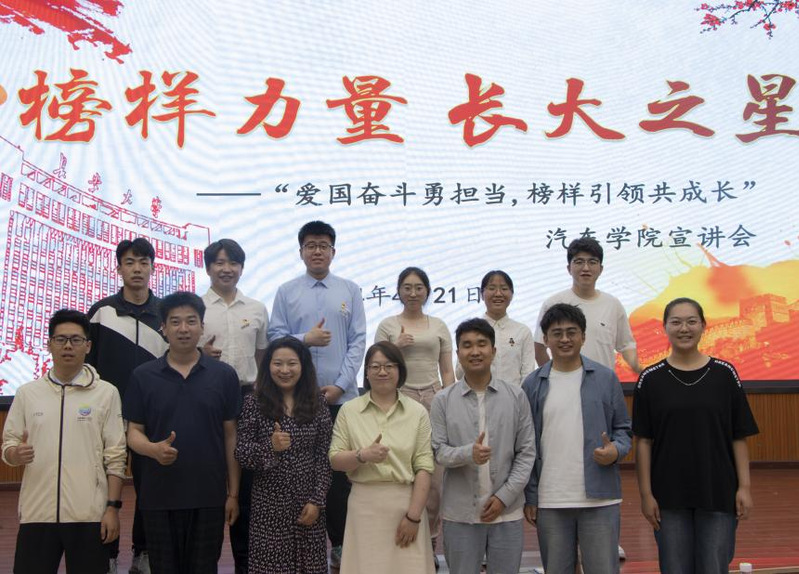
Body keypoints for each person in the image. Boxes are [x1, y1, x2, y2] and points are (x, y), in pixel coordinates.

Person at [633, 297, 759, 573]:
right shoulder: (650, 379)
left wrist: (745, 487)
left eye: (691, 321)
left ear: (703, 325)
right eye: (676, 322)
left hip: (718, 492)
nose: (684, 328)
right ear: (665, 327)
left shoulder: (725, 374)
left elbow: (738, 436)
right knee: (674, 567)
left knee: (714, 566)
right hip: (668, 496)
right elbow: (644, 441)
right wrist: (646, 494)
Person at [533, 237, 639, 561]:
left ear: (601, 268)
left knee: (600, 456)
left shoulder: (612, 304)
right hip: (558, 389)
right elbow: (538, 348)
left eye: (592, 262)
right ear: (569, 267)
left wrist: (643, 371)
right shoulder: (554, 303)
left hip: (601, 398)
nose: (585, 268)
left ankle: (603, 539)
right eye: (578, 261)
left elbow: (627, 346)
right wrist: (555, 376)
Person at [268, 220, 366, 568]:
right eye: (311, 245)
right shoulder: (286, 291)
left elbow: (358, 341)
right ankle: (297, 544)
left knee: (338, 475)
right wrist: (304, 340)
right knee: (298, 470)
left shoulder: (350, 290)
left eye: (324, 245)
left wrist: (341, 384)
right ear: (301, 252)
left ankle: (340, 544)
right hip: (296, 398)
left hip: (341, 399)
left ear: (333, 251)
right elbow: (275, 338)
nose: (317, 251)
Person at [123, 292, 241, 574]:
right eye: (175, 322)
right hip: (159, 496)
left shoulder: (224, 375)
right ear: (163, 328)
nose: (183, 329)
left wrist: (233, 494)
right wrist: (153, 450)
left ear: (202, 326)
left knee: (204, 568)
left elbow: (231, 436)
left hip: (208, 495)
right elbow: (133, 432)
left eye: (191, 321)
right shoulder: (143, 375)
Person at [2, 309, 127, 574]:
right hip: (37, 512)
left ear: (88, 346)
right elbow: (9, 444)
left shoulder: (106, 393)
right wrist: (14, 454)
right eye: (60, 339)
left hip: (89, 514)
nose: (68, 346)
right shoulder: (27, 394)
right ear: (49, 345)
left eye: (75, 339)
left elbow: (116, 456)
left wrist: (112, 509)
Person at [522, 303, 631, 574]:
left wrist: (615, 451)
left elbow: (623, 430)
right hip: (551, 500)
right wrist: (531, 496)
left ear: (583, 336)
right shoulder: (533, 384)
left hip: (600, 499)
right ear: (545, 339)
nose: (565, 339)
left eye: (572, 332)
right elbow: (525, 445)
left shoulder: (605, 378)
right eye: (556, 333)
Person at [87, 237, 168, 574]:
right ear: (118, 268)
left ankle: (142, 552)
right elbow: (88, 366)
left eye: (144, 262)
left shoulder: (165, 314)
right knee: (104, 486)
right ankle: (106, 554)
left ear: (152, 268)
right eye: (130, 262)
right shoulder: (102, 312)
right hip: (107, 415)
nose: (137, 269)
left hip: (152, 417)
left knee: (150, 489)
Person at [430, 318, 535, 574]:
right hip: (460, 514)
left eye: (481, 344)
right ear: (458, 354)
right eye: (467, 345)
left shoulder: (516, 396)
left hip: (506, 513)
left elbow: (526, 452)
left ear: (494, 351)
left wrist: (504, 497)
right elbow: (438, 451)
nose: (475, 351)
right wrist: (469, 454)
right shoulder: (443, 400)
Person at [329, 341, 435, 574]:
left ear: (400, 370)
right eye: (375, 366)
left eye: (389, 366)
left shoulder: (417, 412)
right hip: (364, 507)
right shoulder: (349, 410)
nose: (382, 372)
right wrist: (362, 455)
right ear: (366, 372)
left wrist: (413, 517)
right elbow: (335, 460)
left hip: (406, 505)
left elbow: (424, 467)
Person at [375, 266, 454, 563]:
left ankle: (429, 543)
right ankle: (399, 542)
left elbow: (447, 370)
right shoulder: (388, 324)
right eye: (407, 287)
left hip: (434, 396)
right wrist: (394, 347)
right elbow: (377, 365)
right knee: (401, 470)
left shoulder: (439, 325)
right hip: (400, 397)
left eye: (418, 287)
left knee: (434, 474)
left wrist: (449, 400)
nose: (412, 292)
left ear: (427, 291)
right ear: (398, 291)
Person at [235, 336, 332, 574]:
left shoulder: (318, 402)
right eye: (278, 363)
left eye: (292, 363)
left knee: (310, 567)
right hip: (269, 507)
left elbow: (324, 456)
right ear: (268, 366)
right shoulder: (253, 403)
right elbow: (242, 453)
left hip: (308, 504)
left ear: (303, 366)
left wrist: (317, 501)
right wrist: (270, 447)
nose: (285, 370)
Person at [201, 238, 268, 574]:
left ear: (241, 268)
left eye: (233, 263)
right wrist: (199, 355)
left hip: (248, 397)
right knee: (213, 476)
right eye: (219, 262)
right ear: (208, 268)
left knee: (248, 482)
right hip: (206, 397)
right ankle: (206, 559)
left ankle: (246, 561)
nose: (226, 269)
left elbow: (262, 355)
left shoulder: (256, 308)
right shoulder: (196, 308)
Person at [457, 270, 535, 386]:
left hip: (513, 396)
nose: (498, 294)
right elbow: (459, 374)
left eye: (504, 288)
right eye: (492, 288)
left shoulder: (522, 331)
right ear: (481, 294)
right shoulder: (469, 331)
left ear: (512, 294)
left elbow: (528, 374)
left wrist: (519, 396)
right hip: (477, 395)